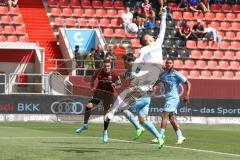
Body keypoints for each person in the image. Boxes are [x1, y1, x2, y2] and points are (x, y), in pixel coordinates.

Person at [104, 7, 167, 145]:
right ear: (147, 40)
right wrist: (134, 68)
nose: (152, 36)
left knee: (129, 89)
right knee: (142, 117)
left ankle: (113, 111)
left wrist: (163, 16)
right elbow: (139, 59)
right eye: (149, 37)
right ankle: (158, 137)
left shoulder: (156, 44)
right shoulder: (146, 48)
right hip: (151, 72)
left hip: (153, 71)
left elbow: (162, 31)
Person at [121, 53, 164, 148]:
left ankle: (138, 128)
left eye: (124, 61)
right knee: (143, 120)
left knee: (123, 109)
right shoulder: (130, 70)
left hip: (140, 95)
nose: (123, 63)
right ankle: (159, 137)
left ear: (129, 61)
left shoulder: (138, 68)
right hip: (146, 98)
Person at [75, 59, 121, 143]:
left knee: (106, 114)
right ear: (102, 66)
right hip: (98, 94)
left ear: (110, 67)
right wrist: (92, 88)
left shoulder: (114, 74)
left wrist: (115, 84)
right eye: (105, 66)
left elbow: (119, 84)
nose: (106, 68)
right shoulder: (98, 71)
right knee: (89, 106)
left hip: (109, 95)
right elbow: (92, 80)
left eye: (108, 66)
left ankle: (105, 132)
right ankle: (85, 125)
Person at [152, 59, 191, 145]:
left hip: (173, 98)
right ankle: (180, 136)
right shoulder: (164, 74)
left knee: (164, 115)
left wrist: (187, 94)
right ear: (165, 65)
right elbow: (158, 81)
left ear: (173, 64)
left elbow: (188, 83)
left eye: (170, 63)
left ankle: (160, 136)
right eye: (167, 63)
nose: (168, 64)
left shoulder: (176, 74)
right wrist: (152, 86)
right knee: (172, 118)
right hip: (168, 98)